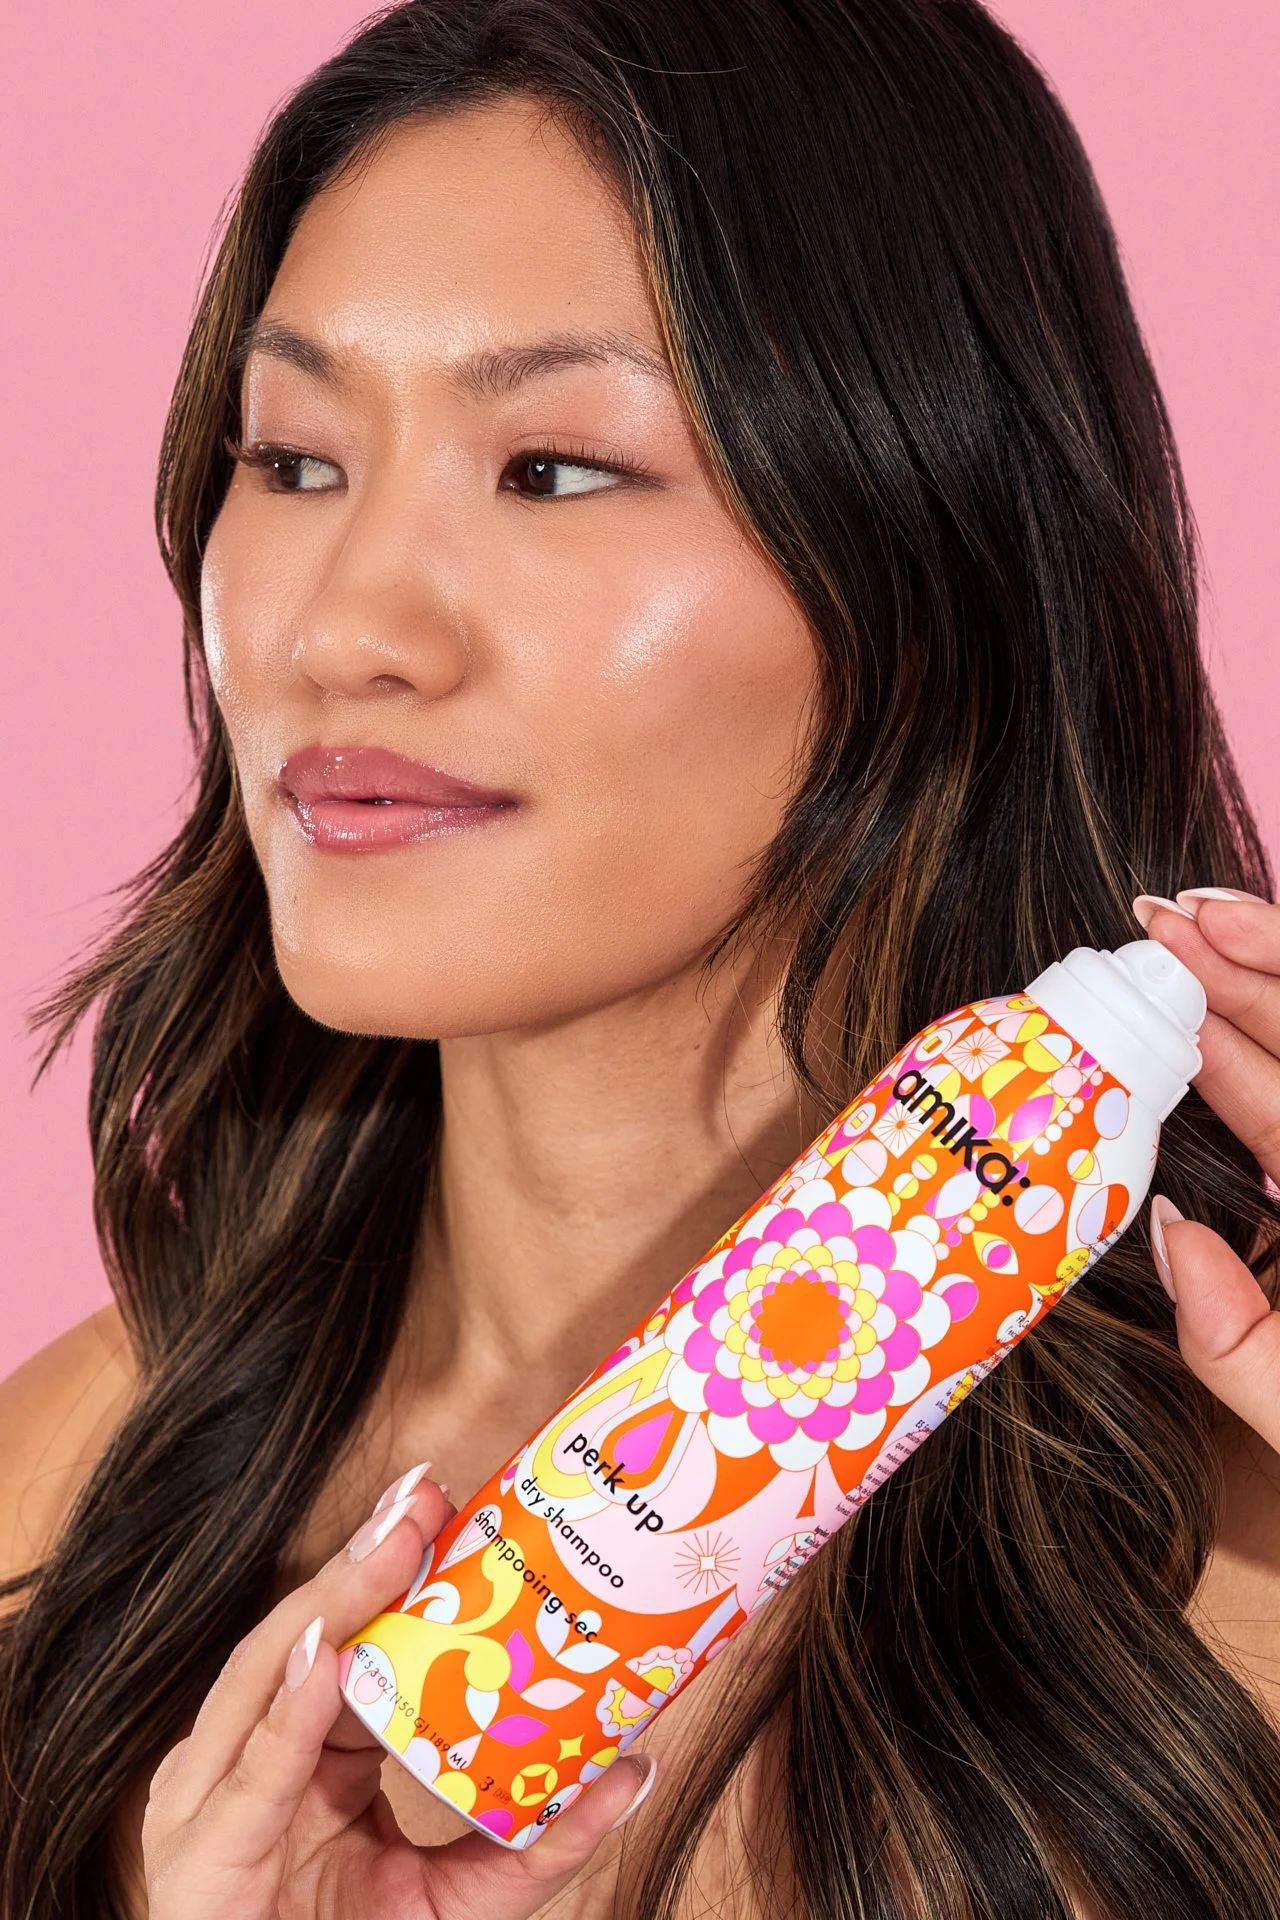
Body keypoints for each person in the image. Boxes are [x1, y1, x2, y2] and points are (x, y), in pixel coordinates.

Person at [3, 1, 1279, 1914]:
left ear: (931, 570)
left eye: (557, 470)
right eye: (289, 457)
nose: (342, 631)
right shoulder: (74, 1502)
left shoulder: (1230, 1565)